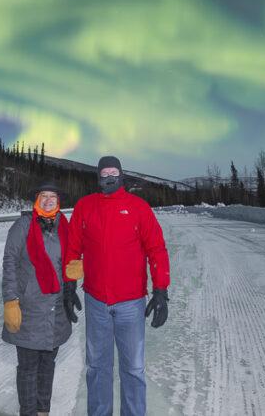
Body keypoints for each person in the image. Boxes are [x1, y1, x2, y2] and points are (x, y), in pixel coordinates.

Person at [64, 156, 170, 416]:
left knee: (133, 369)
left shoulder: (138, 207)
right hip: (96, 300)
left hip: (131, 303)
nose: (109, 177)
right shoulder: (84, 207)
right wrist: (69, 285)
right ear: (98, 176)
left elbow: (156, 249)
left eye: (114, 172)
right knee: (97, 368)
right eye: (104, 173)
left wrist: (161, 290)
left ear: (121, 175)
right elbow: (73, 249)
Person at [2, 181, 83, 416]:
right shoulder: (22, 226)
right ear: (36, 200)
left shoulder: (64, 226)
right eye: (44, 196)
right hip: (29, 308)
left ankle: (42, 411)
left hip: (56, 309)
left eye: (53, 197)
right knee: (28, 368)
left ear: (59, 202)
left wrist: (71, 286)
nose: (49, 200)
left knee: (48, 364)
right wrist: (10, 300)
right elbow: (10, 263)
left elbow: (71, 258)